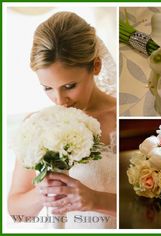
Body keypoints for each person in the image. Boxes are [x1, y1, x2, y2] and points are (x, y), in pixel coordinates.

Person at [8, 11, 116, 229]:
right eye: (48, 88)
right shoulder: (38, 125)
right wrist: (42, 191)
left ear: (96, 66)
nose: (59, 100)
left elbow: (148, 204)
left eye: (69, 86)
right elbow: (17, 214)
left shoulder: (122, 117)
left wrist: (96, 200)